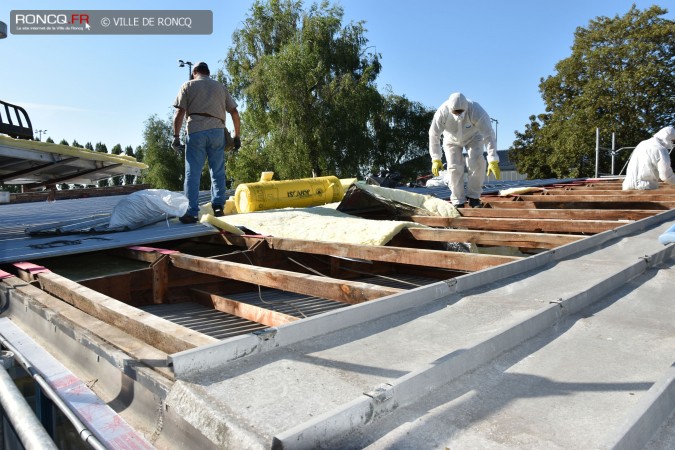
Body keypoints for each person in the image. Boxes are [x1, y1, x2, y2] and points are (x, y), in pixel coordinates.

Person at [172, 61, 241, 223]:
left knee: (192, 174)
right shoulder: (220, 87)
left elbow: (179, 112)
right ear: (207, 72)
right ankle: (218, 207)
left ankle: (191, 212)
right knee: (217, 171)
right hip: (217, 132)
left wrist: (176, 137)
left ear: (195, 72)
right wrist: (237, 136)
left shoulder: (188, 85)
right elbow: (234, 112)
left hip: (195, 131)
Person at [429, 92, 500, 208]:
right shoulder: (442, 112)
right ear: (450, 108)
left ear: (466, 107)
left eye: (460, 111)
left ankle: (474, 198)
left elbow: (489, 134)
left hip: (473, 137)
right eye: (455, 112)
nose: (458, 114)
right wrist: (436, 158)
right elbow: (434, 134)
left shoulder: (476, 110)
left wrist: (492, 159)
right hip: (451, 139)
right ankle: (458, 201)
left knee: (477, 162)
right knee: (454, 167)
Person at [622, 126, 675, 190]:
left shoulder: (642, 144)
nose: (673, 143)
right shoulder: (661, 149)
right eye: (673, 140)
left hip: (627, 186)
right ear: (668, 137)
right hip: (646, 187)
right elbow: (666, 176)